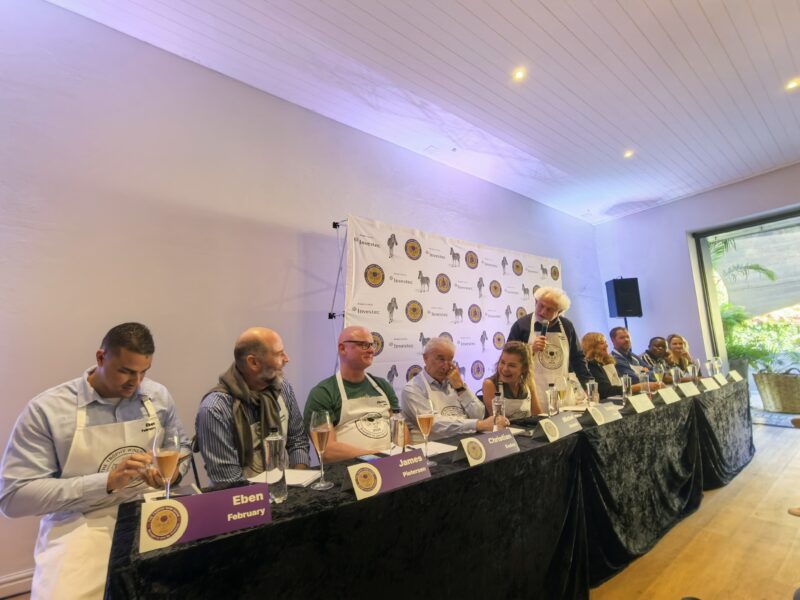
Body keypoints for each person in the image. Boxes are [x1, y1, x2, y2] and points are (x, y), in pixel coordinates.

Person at [0, 322, 190, 599]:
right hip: (79, 521)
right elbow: (14, 497)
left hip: (148, 511)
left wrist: (171, 475)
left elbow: (180, 448)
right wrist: (107, 482)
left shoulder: (157, 397)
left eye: (143, 372)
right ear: (101, 357)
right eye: (125, 371)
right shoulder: (49, 410)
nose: (135, 382)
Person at [195, 327, 309, 485]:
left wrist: (299, 481)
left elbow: (297, 440)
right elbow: (228, 481)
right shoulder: (215, 409)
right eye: (279, 354)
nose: (287, 359)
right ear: (253, 362)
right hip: (243, 503)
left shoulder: (283, 389)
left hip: (286, 490)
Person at [304, 326, 404, 462]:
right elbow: (327, 450)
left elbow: (401, 432)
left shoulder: (383, 386)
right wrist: (377, 457)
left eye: (372, 344)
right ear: (342, 348)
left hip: (393, 465)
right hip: (350, 472)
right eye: (364, 345)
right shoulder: (323, 393)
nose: (371, 350)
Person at [402, 337, 504, 441]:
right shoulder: (413, 389)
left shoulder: (455, 382)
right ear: (425, 358)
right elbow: (433, 424)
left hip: (466, 442)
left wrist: (461, 388)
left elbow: (479, 414)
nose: (445, 366)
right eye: (441, 359)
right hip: (435, 449)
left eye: (450, 360)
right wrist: (478, 425)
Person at [507, 286, 593, 402]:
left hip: (562, 392)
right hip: (532, 392)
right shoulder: (522, 325)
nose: (543, 312)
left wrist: (589, 386)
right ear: (535, 302)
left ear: (559, 312)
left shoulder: (567, 326)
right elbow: (508, 358)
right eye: (541, 305)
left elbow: (577, 358)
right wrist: (530, 349)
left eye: (550, 309)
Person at [582, 332, 662, 400]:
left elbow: (621, 384)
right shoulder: (591, 365)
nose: (606, 345)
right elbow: (606, 391)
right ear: (592, 346)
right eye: (602, 343)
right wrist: (639, 387)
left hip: (621, 398)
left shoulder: (609, 362)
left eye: (606, 342)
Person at [482, 342, 543, 418]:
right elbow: (498, 422)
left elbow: (538, 416)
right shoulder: (489, 384)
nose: (505, 369)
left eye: (511, 365)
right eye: (502, 362)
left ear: (524, 368)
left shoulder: (528, 383)